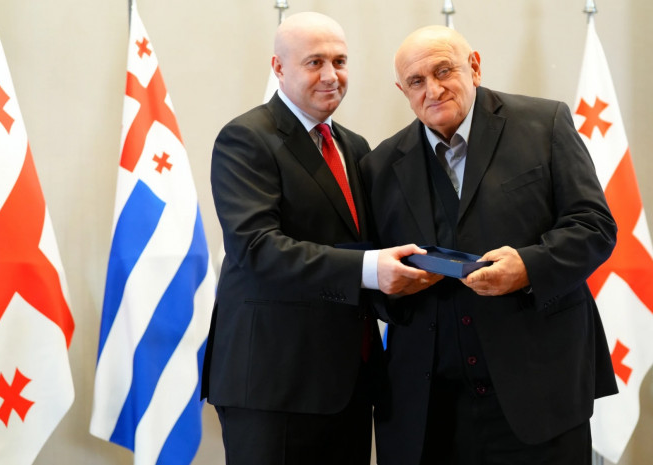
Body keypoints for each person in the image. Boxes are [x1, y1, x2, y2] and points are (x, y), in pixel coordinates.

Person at [359, 25, 619, 464]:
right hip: (428, 412)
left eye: (444, 71)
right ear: (403, 90)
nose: (433, 90)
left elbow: (594, 226)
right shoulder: (379, 165)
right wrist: (394, 286)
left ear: (474, 67)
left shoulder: (545, 124)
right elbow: (375, 279)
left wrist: (528, 267)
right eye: (417, 81)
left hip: (539, 395)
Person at [201, 12, 432, 465]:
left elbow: (370, 243)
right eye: (314, 62)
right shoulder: (246, 138)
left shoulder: (354, 146)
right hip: (275, 386)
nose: (331, 76)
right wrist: (370, 270)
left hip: (349, 384)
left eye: (340, 61)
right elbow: (256, 247)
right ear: (278, 67)